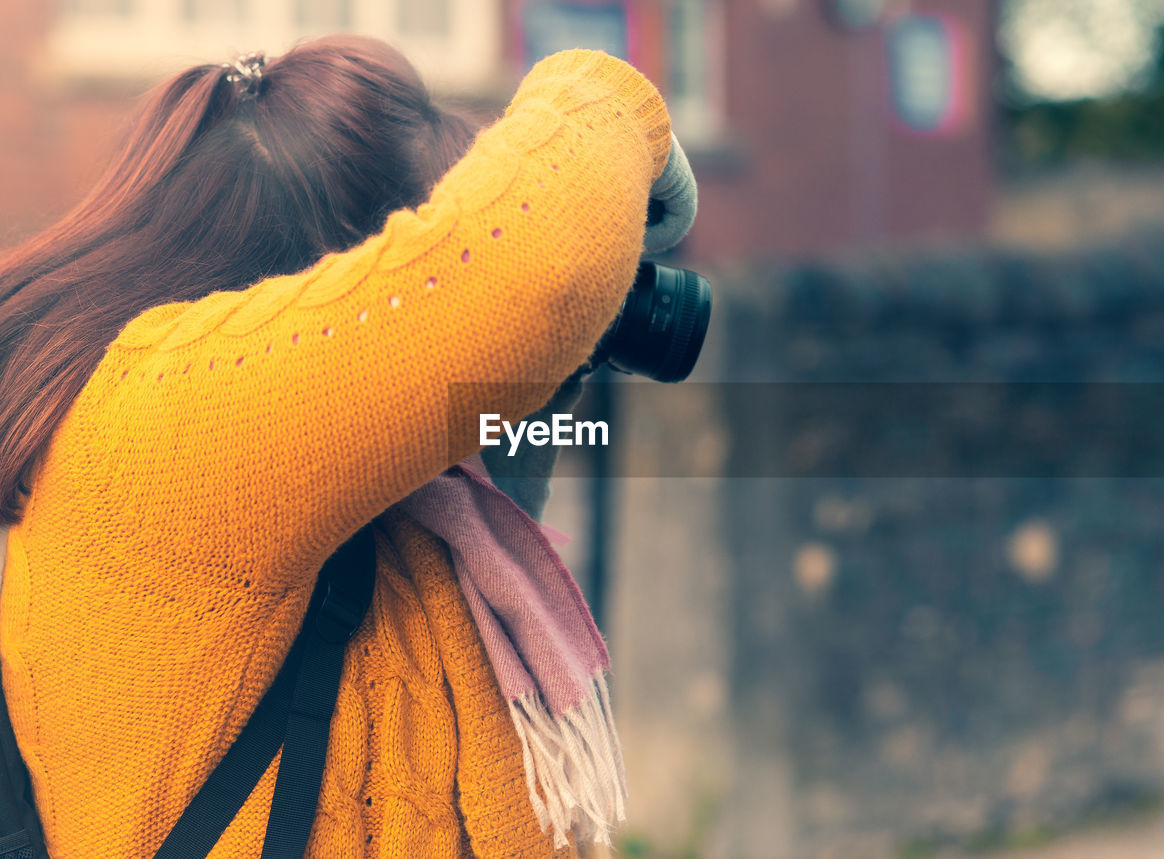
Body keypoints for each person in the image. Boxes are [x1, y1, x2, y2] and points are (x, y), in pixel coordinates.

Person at [0, 34, 694, 857]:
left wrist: (519, 404)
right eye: (421, 261)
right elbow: (532, 280)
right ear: (345, 273)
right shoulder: (158, 423)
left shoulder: (327, 493)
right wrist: (603, 89)